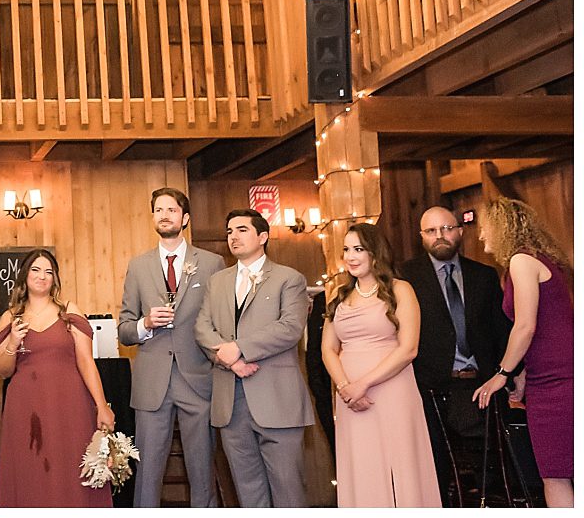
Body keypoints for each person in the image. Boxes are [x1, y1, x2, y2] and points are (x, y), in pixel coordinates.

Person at [195, 207, 312, 508]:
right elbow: (202, 327)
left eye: (241, 230)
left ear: (263, 236)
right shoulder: (217, 281)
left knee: (288, 490)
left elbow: (290, 328)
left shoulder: (289, 278)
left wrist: (240, 347)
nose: (233, 237)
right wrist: (230, 360)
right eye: (229, 231)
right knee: (248, 492)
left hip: (277, 398)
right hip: (231, 401)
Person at [118, 186, 226, 507]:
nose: (165, 215)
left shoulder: (211, 263)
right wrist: (145, 324)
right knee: (148, 471)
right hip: (153, 382)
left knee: (202, 470)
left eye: (172, 210)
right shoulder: (138, 266)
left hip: (198, 378)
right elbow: (124, 329)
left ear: (186, 218)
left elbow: (222, 324)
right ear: (153, 217)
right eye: (159, 210)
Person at [398, 206, 510, 505]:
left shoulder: (484, 275)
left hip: (482, 386)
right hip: (431, 388)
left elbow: (502, 331)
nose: (440, 237)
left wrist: (510, 374)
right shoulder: (405, 277)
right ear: (421, 236)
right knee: (437, 471)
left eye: (446, 229)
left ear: (460, 230)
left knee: (494, 472)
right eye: (431, 231)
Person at [321, 222, 439, 506]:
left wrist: (364, 384)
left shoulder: (401, 289)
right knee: (362, 462)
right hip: (350, 399)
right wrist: (345, 387)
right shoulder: (338, 295)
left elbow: (408, 348)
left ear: (375, 253)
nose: (350, 256)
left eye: (358, 249)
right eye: (346, 250)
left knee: (400, 462)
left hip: (391, 389)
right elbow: (328, 349)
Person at [0, 248, 114, 507]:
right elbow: (2, 371)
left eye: (49, 271)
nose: (42, 276)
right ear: (25, 276)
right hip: (25, 411)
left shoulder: (69, 312)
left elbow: (86, 362)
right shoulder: (10, 317)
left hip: (69, 406)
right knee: (30, 475)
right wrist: (13, 340)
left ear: (55, 279)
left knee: (70, 472)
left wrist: (101, 406)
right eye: (36, 270)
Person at [473, 197, 573, 506]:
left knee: (555, 475)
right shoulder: (538, 259)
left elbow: (526, 326)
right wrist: (524, 376)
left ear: (502, 228)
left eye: (483, 229)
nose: (480, 236)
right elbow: (547, 327)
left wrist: (501, 374)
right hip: (552, 375)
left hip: (559, 381)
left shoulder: (521, 261)